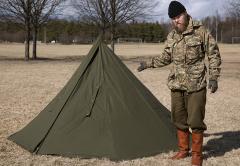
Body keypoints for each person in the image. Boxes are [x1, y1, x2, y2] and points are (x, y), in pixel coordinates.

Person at [137, 1, 221, 166]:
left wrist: (213, 77)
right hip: (177, 85)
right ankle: (183, 150)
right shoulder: (172, 36)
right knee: (178, 119)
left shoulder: (201, 31)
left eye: (178, 17)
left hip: (196, 85)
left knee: (196, 120)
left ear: (185, 13)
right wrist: (147, 64)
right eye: (172, 18)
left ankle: (197, 154)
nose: (176, 21)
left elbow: (213, 55)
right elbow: (166, 57)